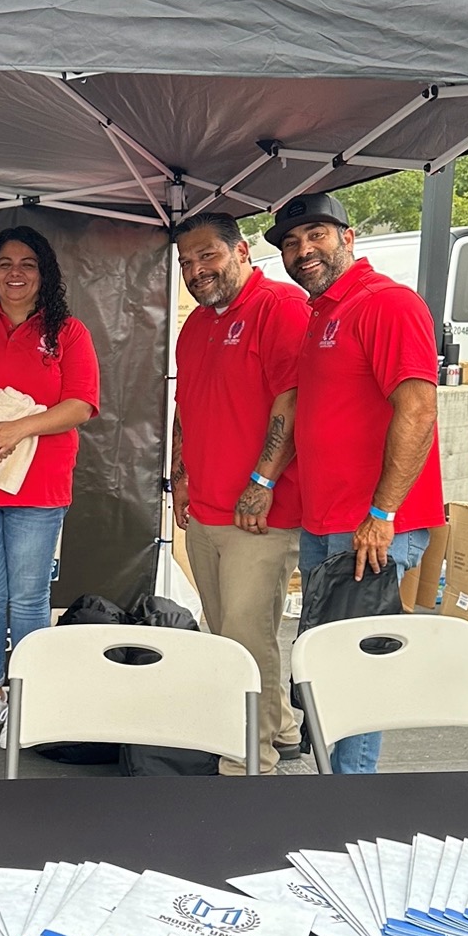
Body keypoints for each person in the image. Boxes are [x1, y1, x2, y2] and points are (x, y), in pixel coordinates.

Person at [267, 191, 443, 775]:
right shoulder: (323, 313)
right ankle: (335, 791)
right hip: (329, 522)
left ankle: (350, 800)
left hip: (369, 527)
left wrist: (384, 513)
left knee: (360, 671)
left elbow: (417, 410)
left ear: (349, 237)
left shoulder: (386, 304)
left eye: (316, 234)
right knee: (333, 664)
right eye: (291, 243)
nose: (302, 250)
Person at [0, 226, 99, 740]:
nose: (15, 273)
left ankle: (28, 698)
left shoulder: (68, 332)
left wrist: (19, 428)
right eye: (5, 264)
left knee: (27, 599)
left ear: (43, 272)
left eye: (27, 263)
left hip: (40, 488)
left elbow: (81, 404)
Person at [172, 211, 310, 774]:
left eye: (208, 256)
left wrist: (262, 483)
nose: (197, 271)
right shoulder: (195, 326)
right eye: (186, 263)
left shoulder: (280, 308)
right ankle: (282, 725)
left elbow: (294, 399)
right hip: (205, 507)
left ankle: (247, 759)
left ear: (243, 250)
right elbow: (187, 407)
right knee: (227, 628)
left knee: (245, 637)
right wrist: (181, 476)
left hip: (261, 514)